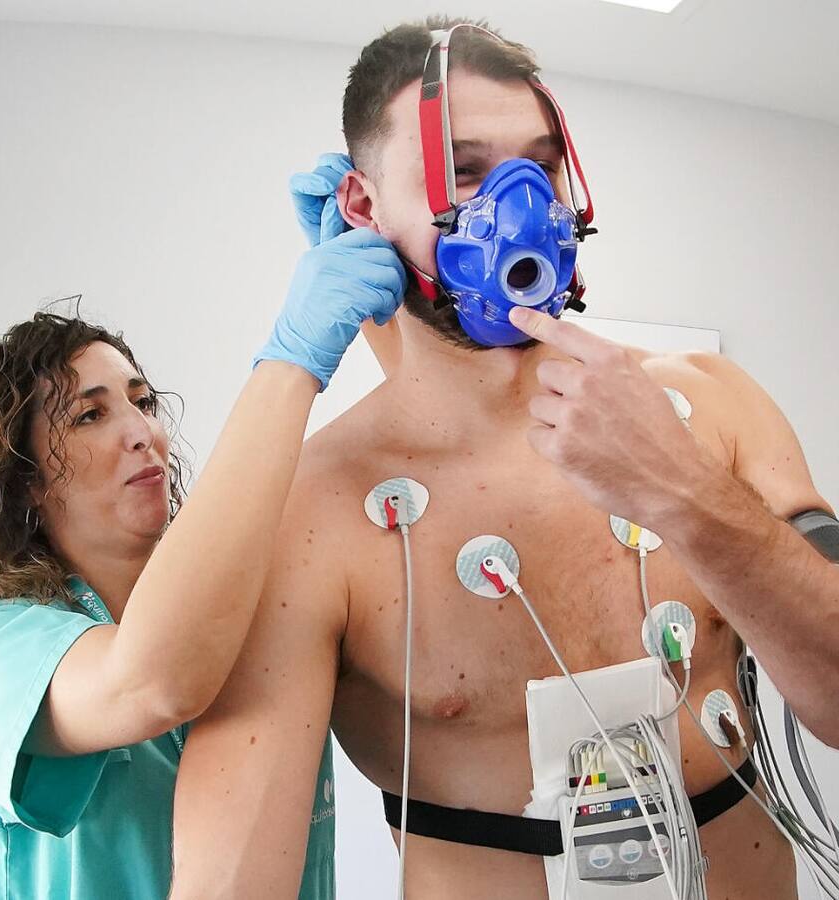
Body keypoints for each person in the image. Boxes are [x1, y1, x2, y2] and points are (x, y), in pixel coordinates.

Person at [169, 15, 839, 899]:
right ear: (364, 211)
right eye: (467, 169)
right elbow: (231, 883)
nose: (521, 205)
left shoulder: (709, 405)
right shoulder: (314, 514)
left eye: (540, 166)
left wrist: (681, 489)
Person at [0, 229, 404, 900]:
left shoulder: (257, 614)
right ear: (24, 481)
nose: (142, 431)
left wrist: (391, 278)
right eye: (89, 415)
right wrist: (293, 364)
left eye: (142, 401)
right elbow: (153, 681)